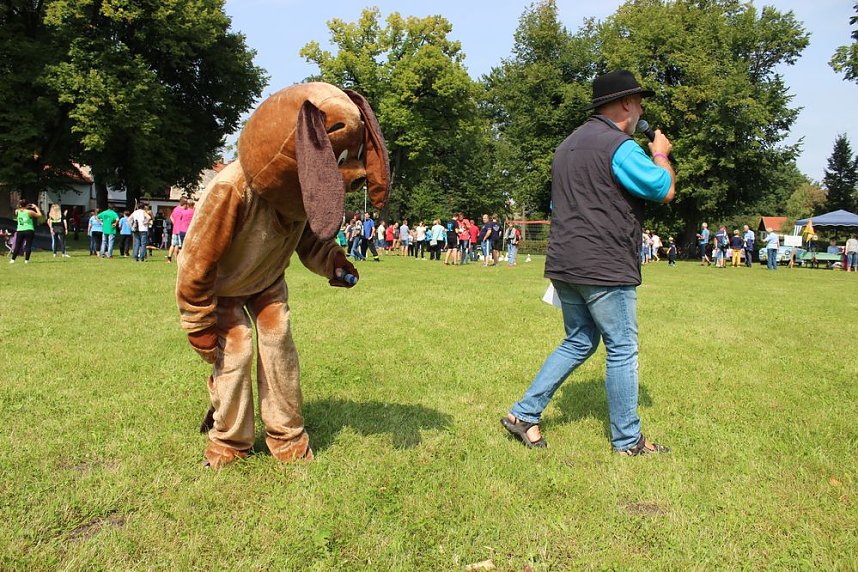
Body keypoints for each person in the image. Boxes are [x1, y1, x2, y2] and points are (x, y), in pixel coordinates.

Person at [502, 70, 676, 456]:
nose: (641, 110)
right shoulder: (621, 146)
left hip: (565, 261)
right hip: (605, 264)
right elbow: (664, 189)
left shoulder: (566, 146)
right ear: (628, 103)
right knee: (622, 348)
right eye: (640, 102)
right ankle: (628, 442)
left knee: (580, 340)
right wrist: (660, 152)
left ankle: (523, 414)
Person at [9, 200, 42, 264]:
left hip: (20, 230)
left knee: (17, 245)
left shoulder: (17, 211)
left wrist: (20, 205)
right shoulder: (30, 212)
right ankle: (27, 260)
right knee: (28, 245)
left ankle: (13, 260)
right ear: (27, 205)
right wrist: (35, 207)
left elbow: (18, 208)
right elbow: (39, 215)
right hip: (29, 229)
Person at [167, 197, 189, 263]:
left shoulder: (176, 209)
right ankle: (178, 259)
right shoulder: (184, 211)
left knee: (173, 244)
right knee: (179, 245)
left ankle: (169, 258)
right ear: (185, 204)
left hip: (175, 229)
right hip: (181, 229)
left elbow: (171, 216)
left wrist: (174, 222)